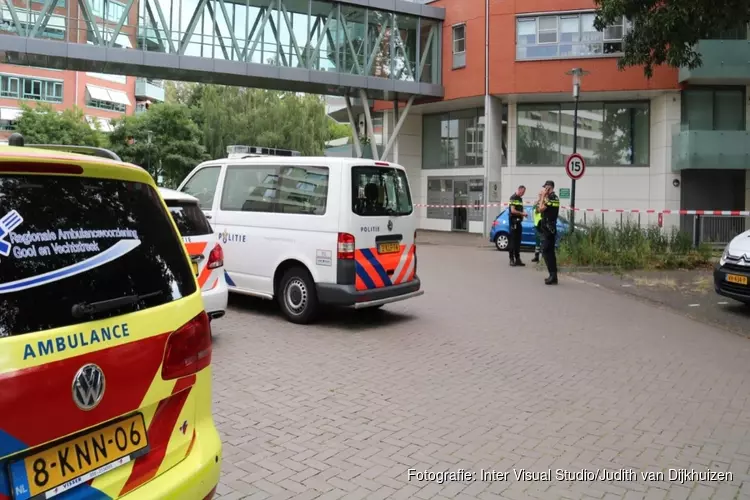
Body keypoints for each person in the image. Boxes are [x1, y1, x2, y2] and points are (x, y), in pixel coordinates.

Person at [537, 180, 560, 285]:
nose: (543, 190)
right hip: (548, 228)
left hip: (549, 229)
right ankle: (553, 275)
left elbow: (540, 209)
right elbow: (538, 208)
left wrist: (542, 197)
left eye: (545, 188)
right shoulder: (551, 198)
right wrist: (541, 198)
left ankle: (553, 275)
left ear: (548, 188)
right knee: (549, 252)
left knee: (546, 251)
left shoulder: (552, 198)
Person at [508, 185, 527, 266]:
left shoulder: (520, 199)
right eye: (522, 192)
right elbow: (512, 210)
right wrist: (522, 213)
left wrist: (522, 215)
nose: (523, 194)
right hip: (513, 222)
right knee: (513, 241)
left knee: (518, 242)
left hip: (519, 222)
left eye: (524, 193)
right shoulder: (513, 198)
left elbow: (520, 209)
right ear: (519, 190)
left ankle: (518, 259)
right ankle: (511, 259)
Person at [531, 198, 543, 263]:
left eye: (541, 195)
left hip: (541, 227)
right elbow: (535, 210)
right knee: (537, 243)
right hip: (537, 226)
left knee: (543, 243)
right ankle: (536, 257)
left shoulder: (541, 204)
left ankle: (543, 258)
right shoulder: (536, 205)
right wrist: (537, 202)